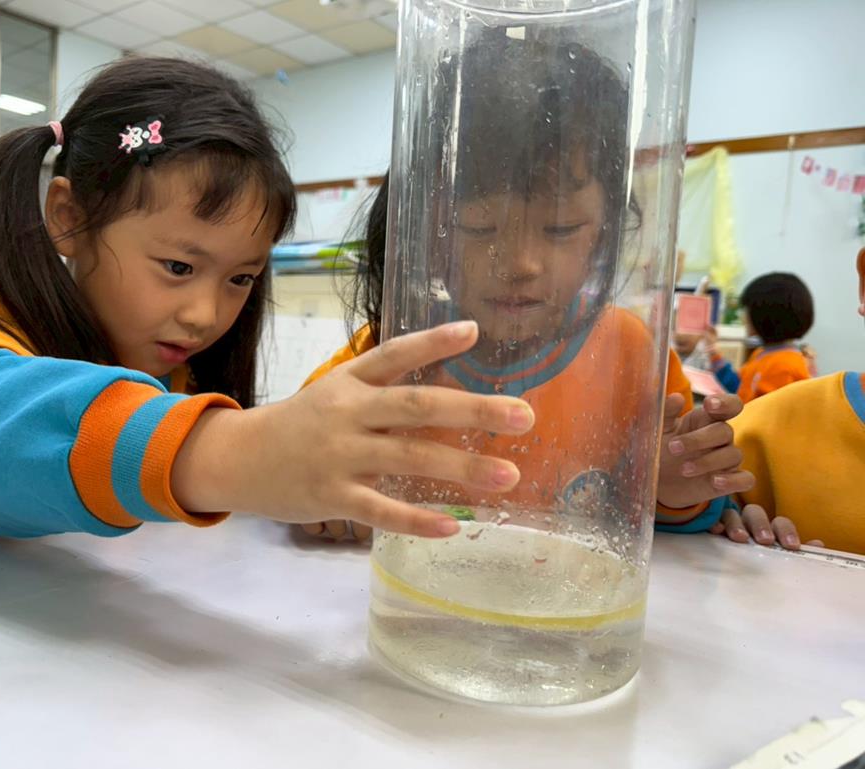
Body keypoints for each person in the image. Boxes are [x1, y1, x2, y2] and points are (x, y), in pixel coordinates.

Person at [0, 56, 538, 540]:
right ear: (69, 217)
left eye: (240, 279)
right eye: (178, 266)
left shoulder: (186, 372)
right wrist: (228, 453)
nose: (205, 316)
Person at [300, 36, 751, 541]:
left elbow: (665, 515)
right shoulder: (393, 350)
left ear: (605, 231)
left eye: (561, 228)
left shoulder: (631, 354)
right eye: (478, 227)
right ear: (431, 229)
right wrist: (318, 484)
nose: (520, 264)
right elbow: (296, 449)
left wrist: (675, 486)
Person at [705, 248, 865, 555]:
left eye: (747, 311)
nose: (744, 318)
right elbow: (741, 391)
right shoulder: (761, 363)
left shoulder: (788, 365)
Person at [706, 272, 814, 402]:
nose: (743, 316)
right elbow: (739, 387)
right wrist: (713, 352)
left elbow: (765, 411)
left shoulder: (785, 366)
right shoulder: (762, 353)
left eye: (747, 310)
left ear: (764, 314)